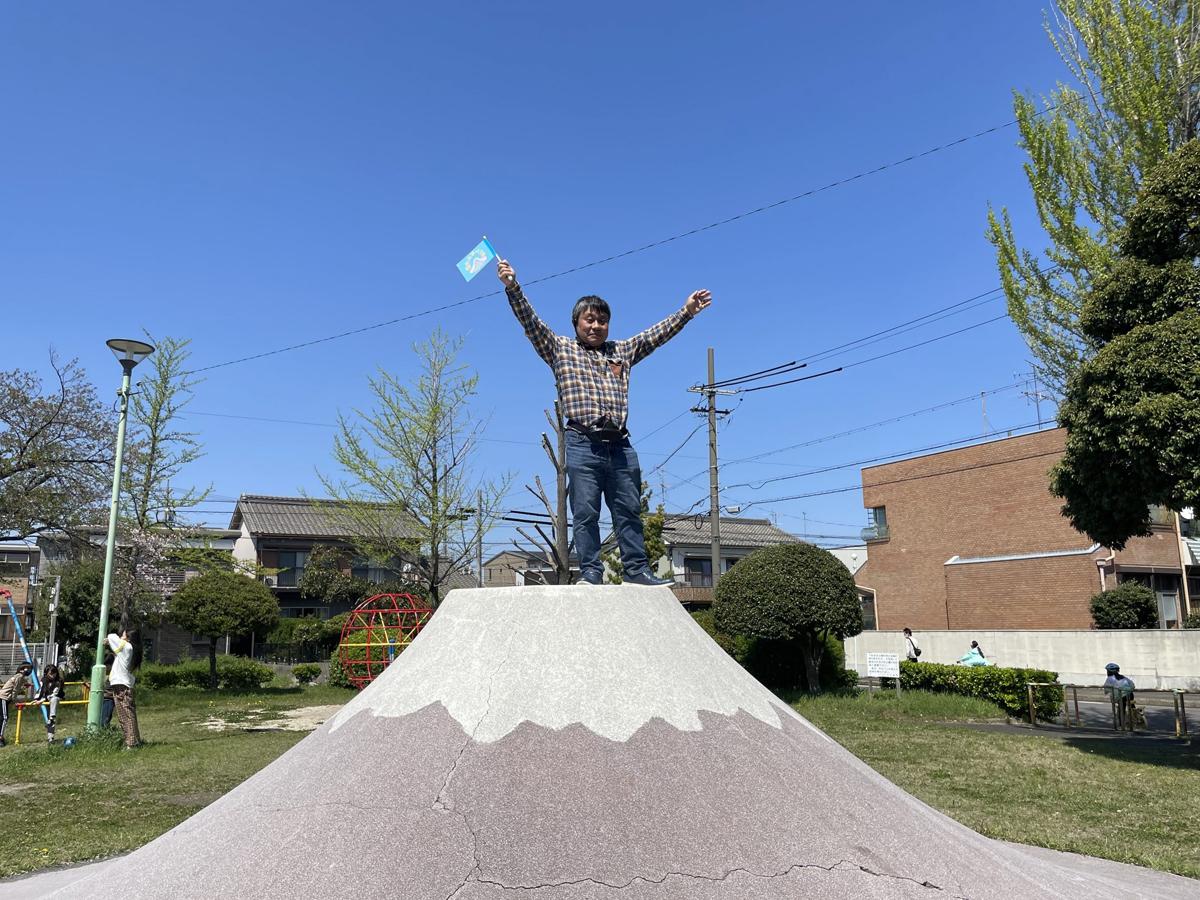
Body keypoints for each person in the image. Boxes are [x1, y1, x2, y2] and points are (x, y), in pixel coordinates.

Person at [497, 257, 712, 586]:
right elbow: (531, 323)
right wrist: (513, 287)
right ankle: (592, 574)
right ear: (577, 323)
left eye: (602, 321)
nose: (595, 326)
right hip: (582, 442)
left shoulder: (621, 351)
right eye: (589, 320)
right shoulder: (560, 349)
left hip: (621, 445)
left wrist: (686, 312)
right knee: (585, 513)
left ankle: (637, 570)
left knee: (628, 510)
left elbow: (655, 335)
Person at [107, 629, 142, 748]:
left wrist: (118, 640)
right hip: (124, 685)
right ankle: (135, 741)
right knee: (129, 714)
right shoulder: (129, 649)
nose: (121, 635)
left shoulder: (126, 647)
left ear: (128, 638)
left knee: (125, 715)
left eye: (123, 634)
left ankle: (131, 744)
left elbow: (111, 636)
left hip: (121, 685)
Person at [0, 663, 33, 748]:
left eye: (30, 669)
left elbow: (20, 684)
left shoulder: (20, 677)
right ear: (22, 669)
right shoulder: (19, 677)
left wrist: (26, 685)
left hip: (6, 698)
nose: (29, 671)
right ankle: (0, 737)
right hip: (3, 697)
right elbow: (15, 691)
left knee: (3, 718)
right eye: (27, 669)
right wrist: (15, 701)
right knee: (4, 718)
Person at [33, 664, 65, 743]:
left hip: (55, 697)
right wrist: (37, 699)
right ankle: (50, 738)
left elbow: (55, 693)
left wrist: (42, 700)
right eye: (51, 673)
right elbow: (40, 690)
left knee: (53, 700)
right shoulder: (43, 680)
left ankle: (51, 719)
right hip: (46, 699)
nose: (53, 675)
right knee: (49, 719)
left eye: (55, 673)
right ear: (46, 673)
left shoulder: (59, 681)